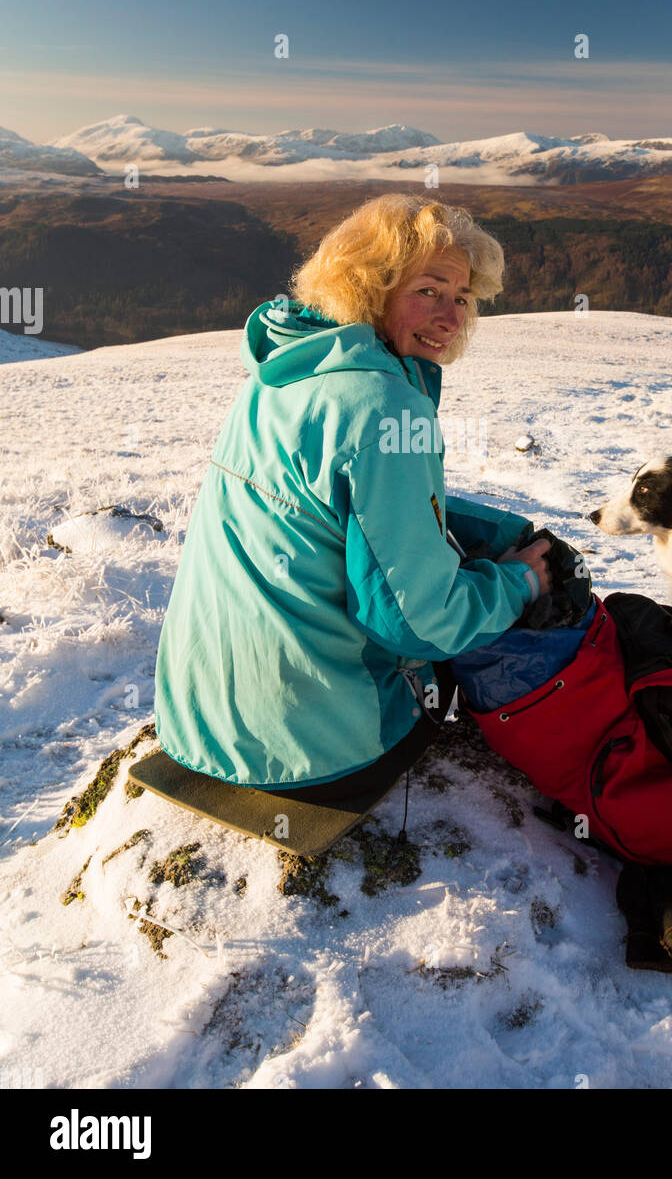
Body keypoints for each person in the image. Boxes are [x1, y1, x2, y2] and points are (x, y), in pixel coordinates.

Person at [153, 194, 551, 796]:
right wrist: (520, 582)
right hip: (312, 749)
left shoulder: (284, 370)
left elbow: (334, 507)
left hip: (196, 724)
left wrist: (496, 534)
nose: (451, 318)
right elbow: (418, 623)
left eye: (463, 299)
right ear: (370, 287)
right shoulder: (384, 405)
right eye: (429, 290)